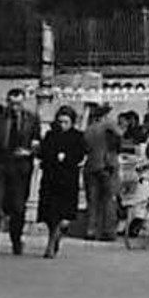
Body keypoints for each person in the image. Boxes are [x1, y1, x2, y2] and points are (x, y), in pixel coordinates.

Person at [0, 87, 40, 257]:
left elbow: (37, 143)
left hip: (20, 169)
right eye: (11, 103)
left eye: (18, 104)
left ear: (23, 102)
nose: (14, 107)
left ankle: (16, 240)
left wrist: (29, 152)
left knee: (17, 208)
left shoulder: (32, 119)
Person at [37, 106, 87, 258]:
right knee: (50, 213)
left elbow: (80, 155)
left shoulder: (77, 136)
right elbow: (43, 153)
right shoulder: (51, 135)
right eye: (60, 122)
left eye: (66, 122)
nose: (62, 125)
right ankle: (52, 238)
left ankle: (54, 239)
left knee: (63, 213)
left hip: (67, 180)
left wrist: (66, 158)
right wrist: (52, 157)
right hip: (51, 179)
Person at [82, 103, 121, 242]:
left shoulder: (89, 129)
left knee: (92, 200)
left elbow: (85, 148)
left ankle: (90, 230)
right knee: (108, 199)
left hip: (91, 166)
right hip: (107, 166)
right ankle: (108, 231)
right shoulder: (110, 127)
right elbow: (119, 142)